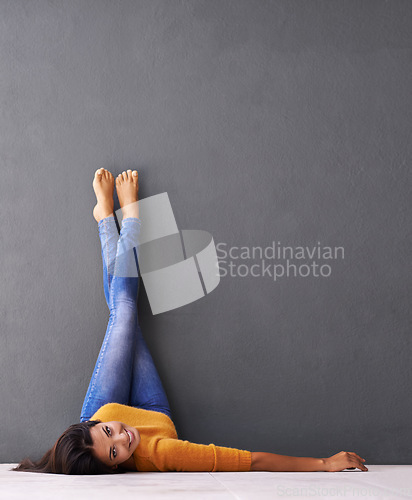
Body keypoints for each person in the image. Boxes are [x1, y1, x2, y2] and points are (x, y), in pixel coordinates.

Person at [11, 169, 368, 475]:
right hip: (155, 415)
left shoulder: (102, 417)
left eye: (108, 433)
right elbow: (247, 462)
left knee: (123, 309)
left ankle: (114, 218)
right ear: (115, 466)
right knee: (123, 311)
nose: (124, 437)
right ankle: (115, 219)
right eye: (116, 452)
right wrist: (323, 464)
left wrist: (103, 422)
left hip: (108, 402)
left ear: (95, 425)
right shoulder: (162, 453)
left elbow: (107, 432)